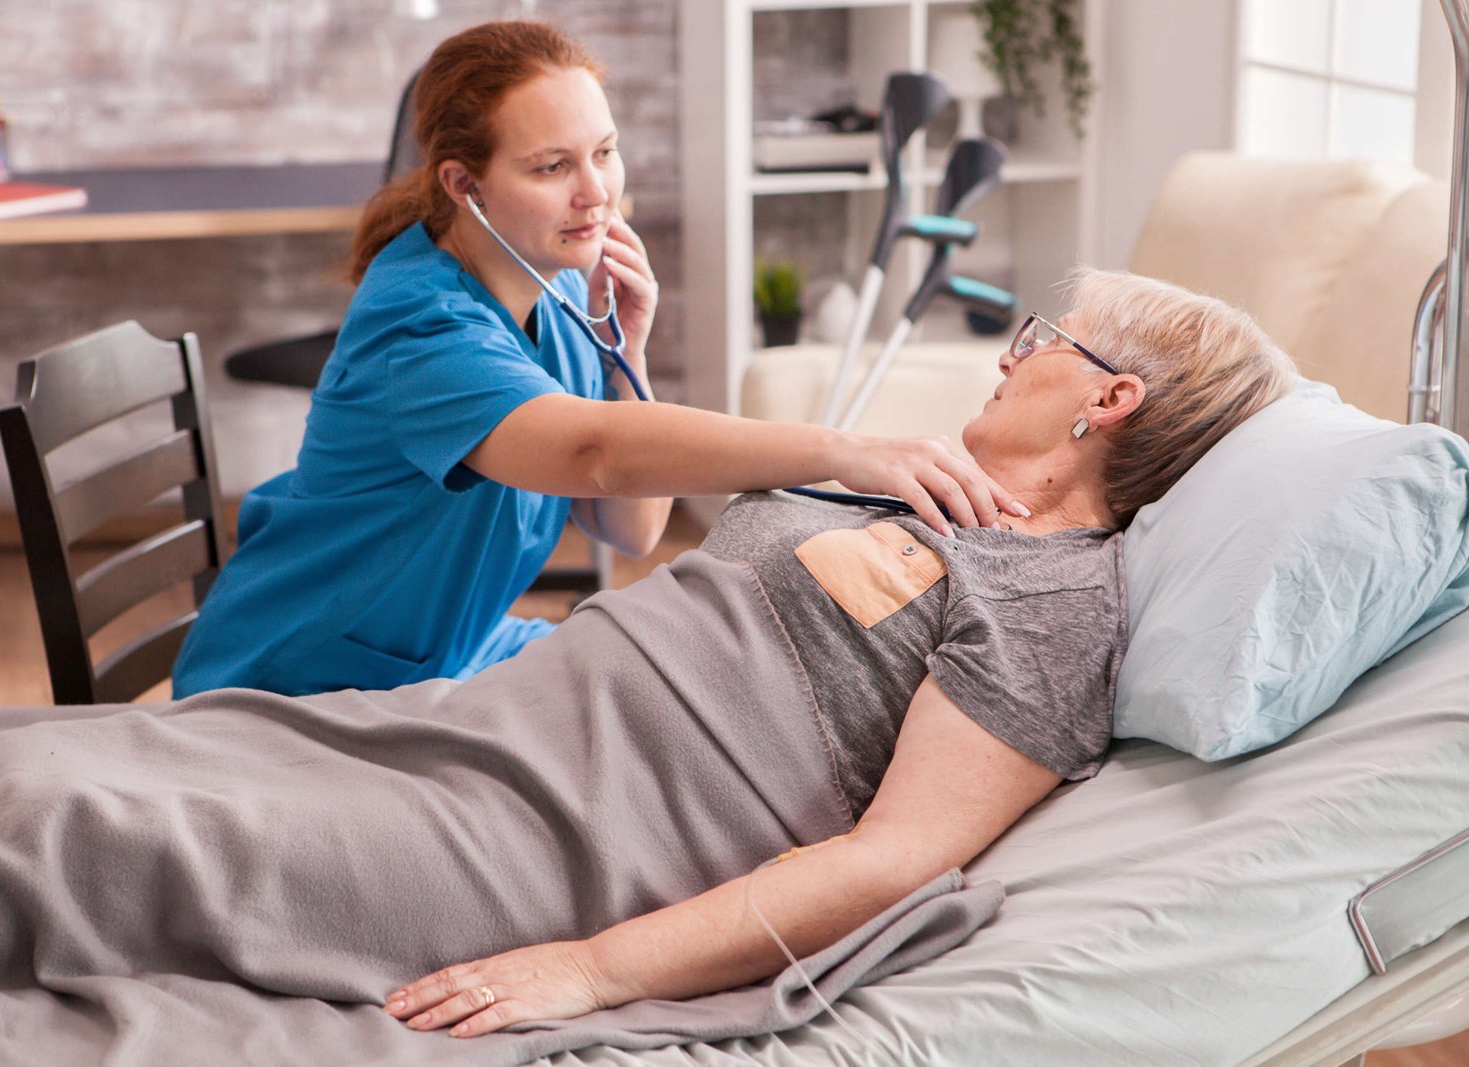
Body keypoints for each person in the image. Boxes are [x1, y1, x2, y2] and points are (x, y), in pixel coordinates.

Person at [0, 272, 1297, 1053]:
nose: (1011, 351)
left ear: (1110, 400)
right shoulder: (913, 486)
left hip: (551, 832)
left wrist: (594, 964)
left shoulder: (1055, 601)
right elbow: (641, 541)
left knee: (61, 825)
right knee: (20, 760)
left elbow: (893, 860)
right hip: (478, 722)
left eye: (1047, 338)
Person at [170, 20, 1025, 699]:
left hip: (443, 651)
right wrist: (845, 450)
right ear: (463, 184)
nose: (597, 192)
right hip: (304, 678)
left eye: (604, 152)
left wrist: (628, 355)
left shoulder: (558, 292)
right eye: (553, 166)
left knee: (665, 684)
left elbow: (630, 525)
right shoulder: (420, 328)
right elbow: (599, 454)